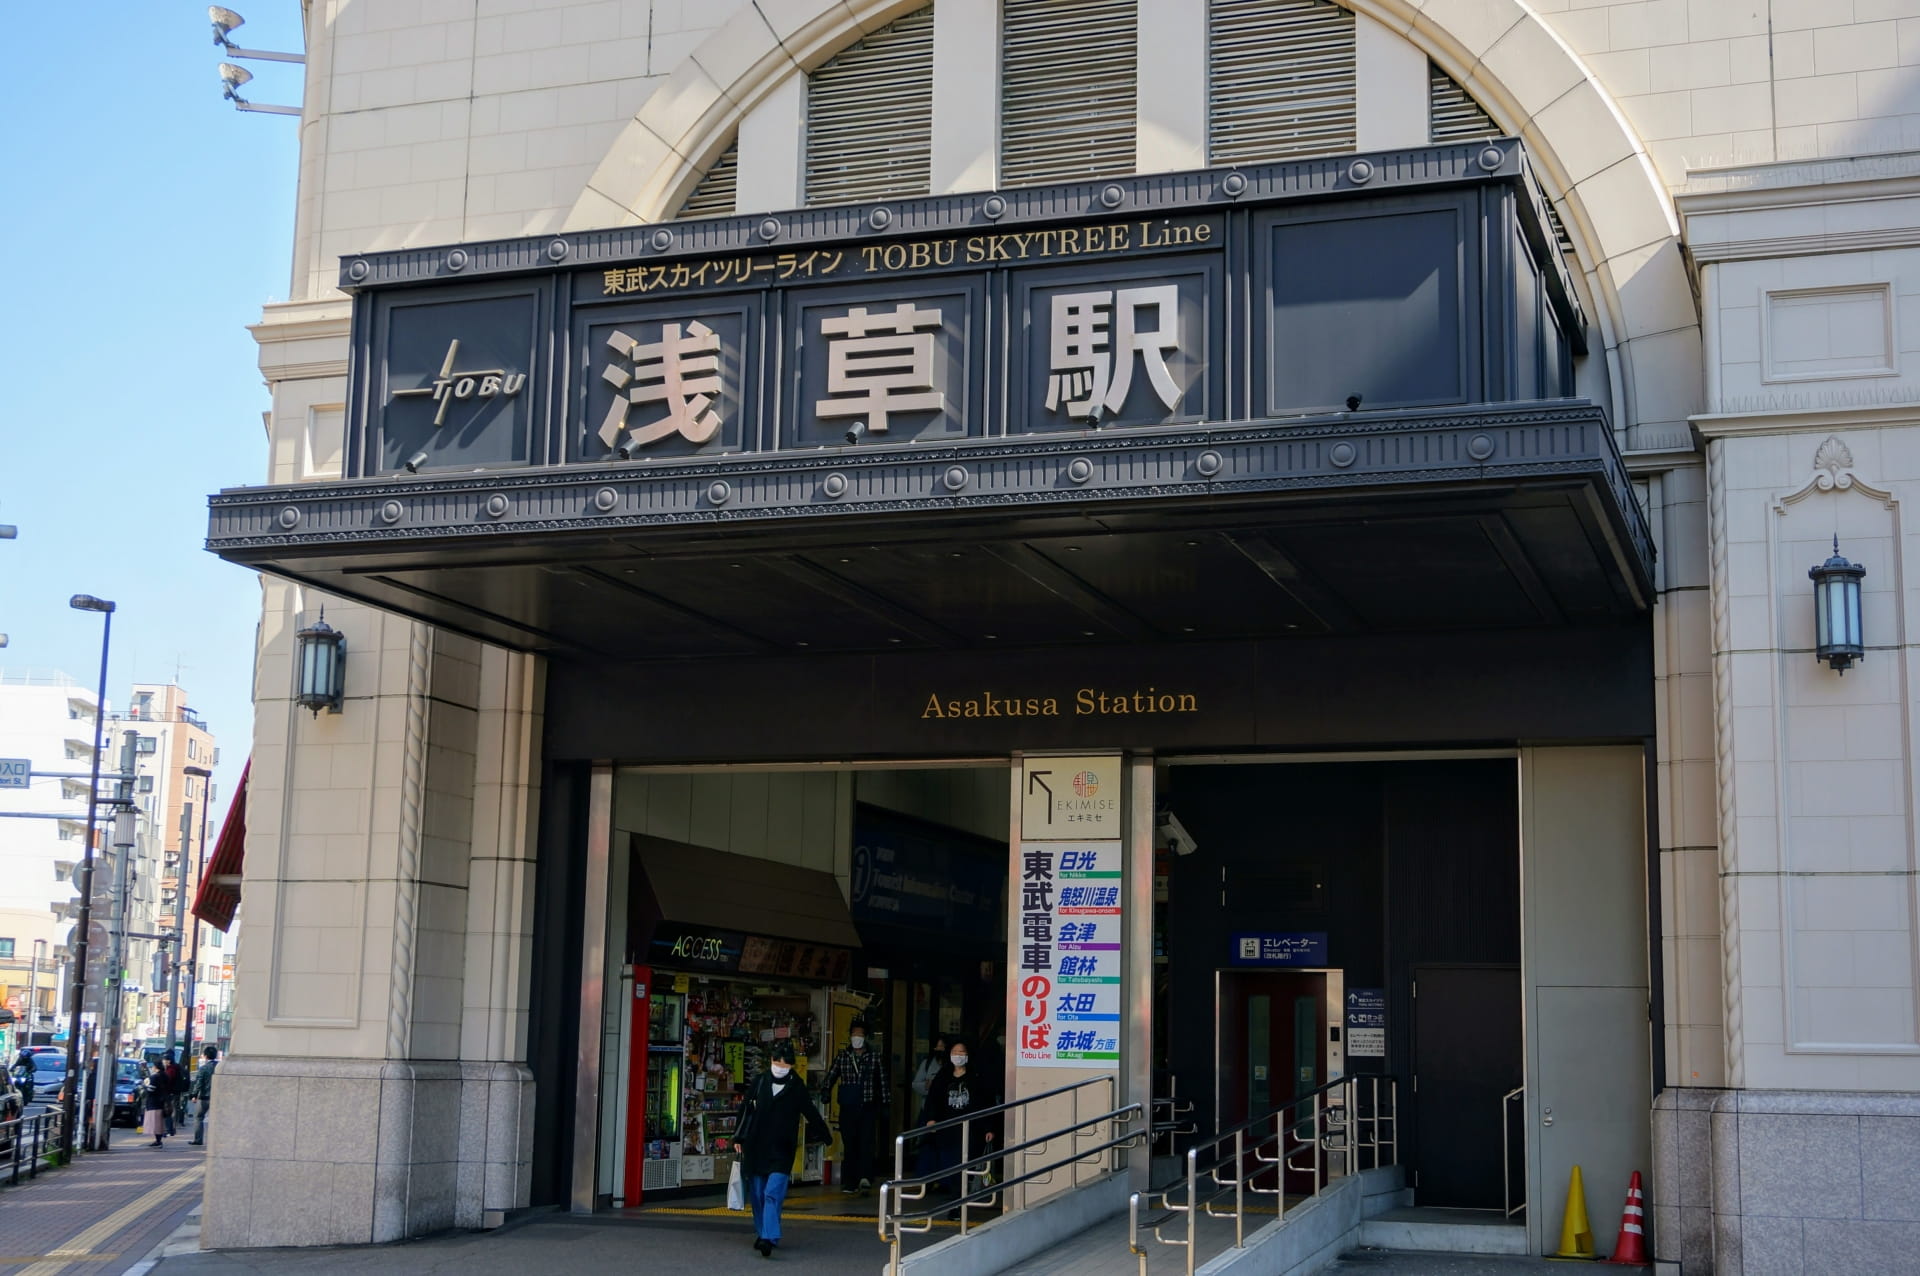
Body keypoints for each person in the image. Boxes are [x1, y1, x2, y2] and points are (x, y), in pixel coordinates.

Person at [739, 1041, 830, 1260]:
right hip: (756, 1147)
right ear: (770, 1061)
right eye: (776, 1061)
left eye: (784, 1063)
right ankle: (764, 1232)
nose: (779, 1065)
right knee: (759, 1194)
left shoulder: (796, 1087)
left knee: (773, 1193)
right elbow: (745, 1110)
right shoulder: (760, 1082)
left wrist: (825, 1135)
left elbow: (810, 1111)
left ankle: (768, 1237)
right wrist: (738, 1137)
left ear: (790, 1065)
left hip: (782, 1149)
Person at [919, 1036, 998, 1197]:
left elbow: (986, 1103)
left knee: (964, 1163)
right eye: (955, 1052)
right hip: (947, 1130)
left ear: (968, 1055)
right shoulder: (943, 1076)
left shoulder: (976, 1076)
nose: (958, 1055)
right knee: (951, 1163)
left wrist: (989, 1127)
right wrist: (931, 1119)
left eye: (961, 1052)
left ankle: (957, 1199)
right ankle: (956, 1195)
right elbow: (933, 1099)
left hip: (971, 1129)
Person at [819, 1017, 886, 1193]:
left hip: (867, 1105)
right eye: (854, 1034)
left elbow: (883, 1081)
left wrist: (885, 1103)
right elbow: (831, 1075)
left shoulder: (874, 1056)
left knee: (866, 1142)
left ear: (865, 1037)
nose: (856, 1038)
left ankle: (865, 1177)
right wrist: (825, 1091)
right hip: (848, 1106)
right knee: (849, 1143)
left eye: (860, 1035)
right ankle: (850, 1180)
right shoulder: (843, 1056)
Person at [189, 1045, 219, 1145]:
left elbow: (199, 1083)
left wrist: (194, 1095)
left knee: (198, 1117)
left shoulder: (203, 1068)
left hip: (204, 1097)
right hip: (218, 1097)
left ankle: (198, 1139)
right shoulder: (220, 1067)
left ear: (205, 1056)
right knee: (216, 1119)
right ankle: (216, 1140)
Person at [141, 1063, 169, 1148]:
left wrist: (145, 1086)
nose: (152, 1068)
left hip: (154, 1102)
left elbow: (151, 1089)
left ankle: (158, 1141)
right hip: (162, 1101)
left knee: (155, 1122)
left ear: (156, 1067)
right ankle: (159, 1139)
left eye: (153, 1066)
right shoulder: (165, 1076)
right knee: (159, 1122)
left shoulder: (155, 1077)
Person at [161, 1053, 185, 1136]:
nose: (163, 1061)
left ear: (168, 1061)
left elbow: (168, 1080)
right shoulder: (176, 1067)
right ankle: (171, 1129)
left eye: (164, 1060)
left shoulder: (171, 1069)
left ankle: (170, 1129)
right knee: (172, 1110)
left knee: (170, 1111)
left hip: (171, 1092)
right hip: (176, 1092)